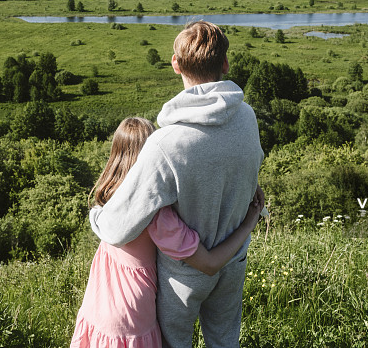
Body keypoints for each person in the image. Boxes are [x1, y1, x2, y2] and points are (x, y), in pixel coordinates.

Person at [90, 21, 264, 348]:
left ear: (175, 65)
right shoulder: (248, 118)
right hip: (235, 258)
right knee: (226, 342)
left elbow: (117, 228)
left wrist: (97, 215)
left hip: (182, 276)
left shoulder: (165, 144)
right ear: (225, 64)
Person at [71, 117, 263, 347]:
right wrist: (247, 224)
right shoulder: (159, 217)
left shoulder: (108, 201)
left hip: (97, 307)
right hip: (133, 314)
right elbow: (209, 264)